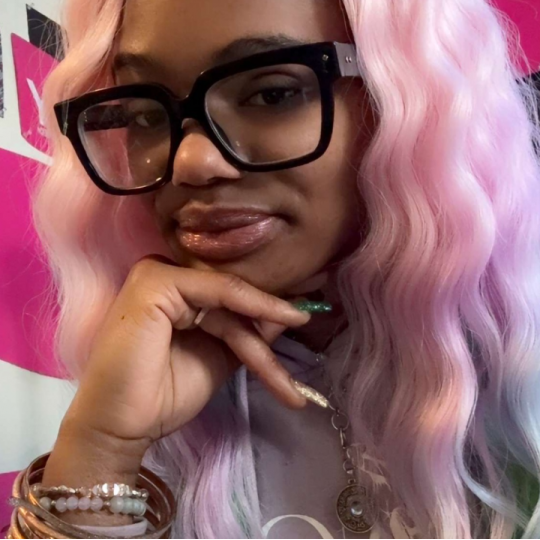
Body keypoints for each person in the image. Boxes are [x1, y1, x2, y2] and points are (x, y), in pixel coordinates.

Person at [7, 0, 540, 538]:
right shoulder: (149, 379)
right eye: (145, 115)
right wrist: (101, 448)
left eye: (272, 94)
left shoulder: (522, 364)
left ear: (409, 99)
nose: (190, 162)